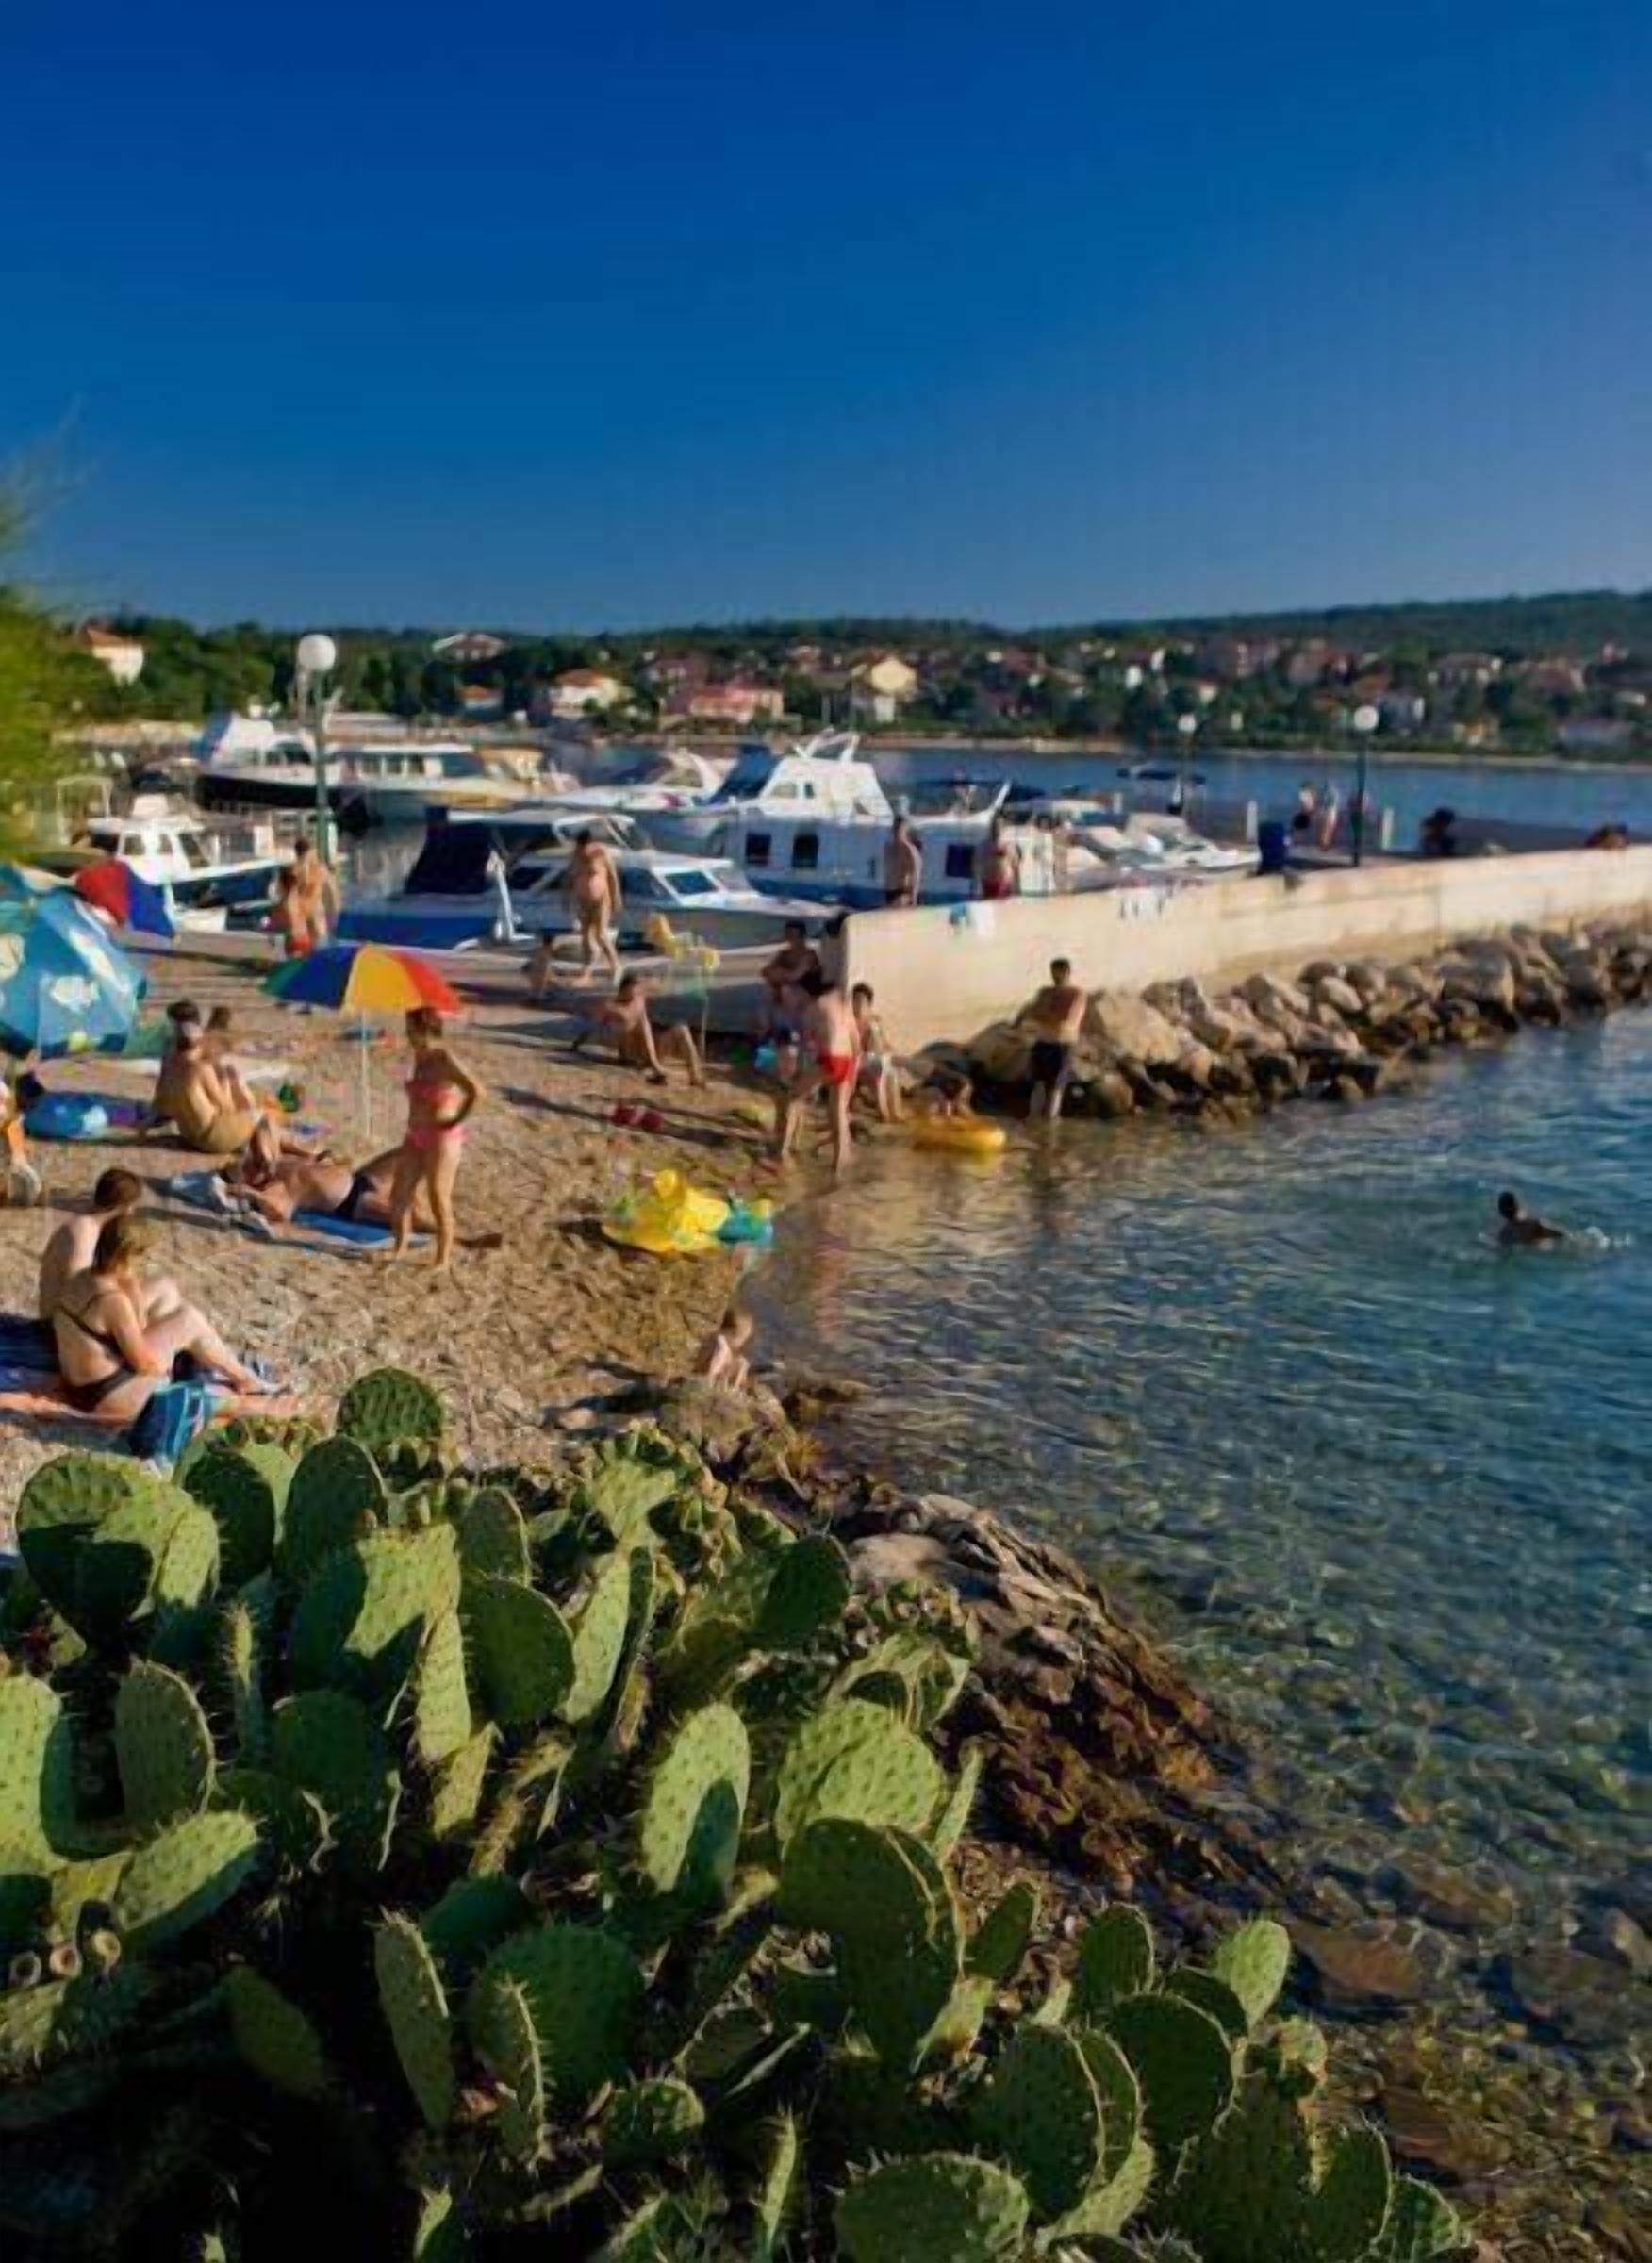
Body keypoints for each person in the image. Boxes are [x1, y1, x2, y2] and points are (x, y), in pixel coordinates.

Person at [52, 1214, 271, 1417]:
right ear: (130, 1255)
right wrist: (170, 1355)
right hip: (107, 1394)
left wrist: (135, 1293)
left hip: (84, 1381)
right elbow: (143, 1364)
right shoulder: (112, 1301)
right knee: (188, 1319)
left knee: (164, 1287)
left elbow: (132, 1324)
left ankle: (209, 1354)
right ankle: (243, 1380)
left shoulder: (83, 1278)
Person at [388, 1008, 483, 1271]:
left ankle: (442, 1259)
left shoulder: (444, 1058)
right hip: (415, 1134)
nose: (407, 1034)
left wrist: (456, 1119)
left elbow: (476, 1091)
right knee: (399, 1194)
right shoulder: (418, 1056)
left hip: (443, 1137)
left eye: (411, 1029)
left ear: (426, 1029)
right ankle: (399, 1248)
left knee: (438, 1196)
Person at [38, 1168, 186, 1333]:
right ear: (127, 1207)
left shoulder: (92, 1225)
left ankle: (141, 1345)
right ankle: (140, 1348)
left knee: (164, 1287)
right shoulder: (83, 1232)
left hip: (74, 1315)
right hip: (60, 1327)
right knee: (164, 1292)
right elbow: (77, 1290)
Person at [773, 969, 860, 1177]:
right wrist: (854, 1074)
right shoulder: (843, 1007)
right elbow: (856, 1042)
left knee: (792, 1098)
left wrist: (797, 1072)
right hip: (848, 1059)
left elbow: (806, 1044)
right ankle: (840, 1161)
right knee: (837, 1113)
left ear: (806, 991)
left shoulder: (814, 1007)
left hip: (829, 1059)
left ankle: (782, 1152)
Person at [570, 971, 705, 1087]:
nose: (637, 993)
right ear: (624, 989)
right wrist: (576, 1045)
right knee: (630, 1027)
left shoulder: (639, 1001)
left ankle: (695, 1076)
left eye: (638, 990)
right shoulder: (610, 1007)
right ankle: (655, 1067)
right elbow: (593, 1026)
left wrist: (654, 1063)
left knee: (681, 1027)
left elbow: (646, 1031)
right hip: (631, 1055)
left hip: (649, 1051)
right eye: (634, 990)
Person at [169, 1021, 265, 1156]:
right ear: (201, 1043)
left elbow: (164, 1105)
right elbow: (226, 1106)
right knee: (259, 1115)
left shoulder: (171, 1065)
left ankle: (244, 1139)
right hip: (210, 1139)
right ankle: (249, 1145)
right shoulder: (201, 1068)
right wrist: (229, 1082)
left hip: (188, 1136)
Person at [1016, 957, 1086, 1120]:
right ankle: (1034, 1122)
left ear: (1067, 972)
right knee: (1037, 1084)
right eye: (1053, 973)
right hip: (1042, 1042)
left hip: (1062, 1044)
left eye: (1059, 973)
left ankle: (1050, 1124)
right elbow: (1032, 1012)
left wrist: (1043, 1015)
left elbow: (1066, 1019)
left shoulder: (1076, 994)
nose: (1055, 977)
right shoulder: (1045, 992)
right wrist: (1047, 1016)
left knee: (1055, 1088)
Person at [563, 830, 622, 983]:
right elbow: (567, 879)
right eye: (580, 847)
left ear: (591, 844)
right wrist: (565, 898)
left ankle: (616, 966)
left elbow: (612, 877)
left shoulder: (601, 854)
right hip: (582, 900)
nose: (583, 851)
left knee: (601, 935)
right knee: (585, 936)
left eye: (585, 847)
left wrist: (617, 898)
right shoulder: (575, 856)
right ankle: (587, 968)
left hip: (601, 899)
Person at [759, 922, 820, 1045]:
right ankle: (767, 1035)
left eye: (793, 935)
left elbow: (796, 975)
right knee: (767, 993)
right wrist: (780, 974)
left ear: (801, 937)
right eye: (788, 934)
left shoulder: (808, 955)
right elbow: (765, 971)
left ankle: (792, 1034)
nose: (790, 938)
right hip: (786, 991)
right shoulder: (784, 954)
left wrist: (779, 973)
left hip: (807, 993)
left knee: (787, 991)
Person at [851, 983, 903, 1122]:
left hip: (875, 1058)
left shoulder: (874, 1020)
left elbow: (885, 1042)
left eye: (861, 1001)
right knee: (879, 1069)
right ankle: (884, 1113)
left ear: (869, 1003)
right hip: (858, 1059)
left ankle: (896, 1112)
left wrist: (892, 1050)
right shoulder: (849, 1020)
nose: (858, 1004)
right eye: (855, 1000)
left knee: (891, 1072)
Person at [289, 835, 340, 950]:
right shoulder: (310, 869)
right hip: (310, 913)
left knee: (316, 942)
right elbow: (331, 893)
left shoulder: (298, 869)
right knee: (318, 943)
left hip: (308, 913)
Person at [698, 1304, 755, 1394]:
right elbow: (716, 1361)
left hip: (711, 1373)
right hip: (705, 1374)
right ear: (732, 1333)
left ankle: (735, 1389)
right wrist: (709, 1378)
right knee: (736, 1359)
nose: (742, 1343)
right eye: (742, 1339)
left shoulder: (719, 1338)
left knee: (743, 1362)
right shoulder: (721, 1343)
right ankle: (727, 1389)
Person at [1496, 1190, 1567, 1247]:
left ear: (1500, 1211)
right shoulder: (1532, 1224)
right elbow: (1561, 1235)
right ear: (1517, 1207)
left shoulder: (1503, 1235)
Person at [977, 816, 1022, 902]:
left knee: (1003, 911)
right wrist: (975, 889)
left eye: (999, 827)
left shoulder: (1009, 845)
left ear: (1003, 828)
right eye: (994, 826)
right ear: (990, 828)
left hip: (1004, 882)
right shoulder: (983, 845)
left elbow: (1016, 867)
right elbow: (976, 866)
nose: (996, 829)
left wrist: (1018, 888)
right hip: (987, 882)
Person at [883, 814, 923, 907]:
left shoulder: (909, 851)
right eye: (895, 827)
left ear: (905, 830)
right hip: (888, 891)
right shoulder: (888, 847)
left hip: (902, 893)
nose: (897, 830)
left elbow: (915, 875)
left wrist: (913, 899)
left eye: (900, 828)